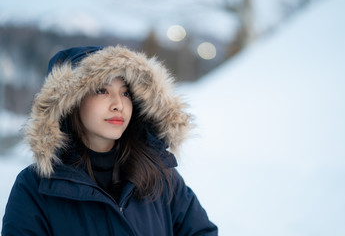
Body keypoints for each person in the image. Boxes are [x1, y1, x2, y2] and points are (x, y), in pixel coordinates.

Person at [2, 45, 218, 236]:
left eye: (126, 93)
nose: (118, 104)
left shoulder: (161, 175)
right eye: (101, 90)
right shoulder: (35, 186)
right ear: (71, 102)